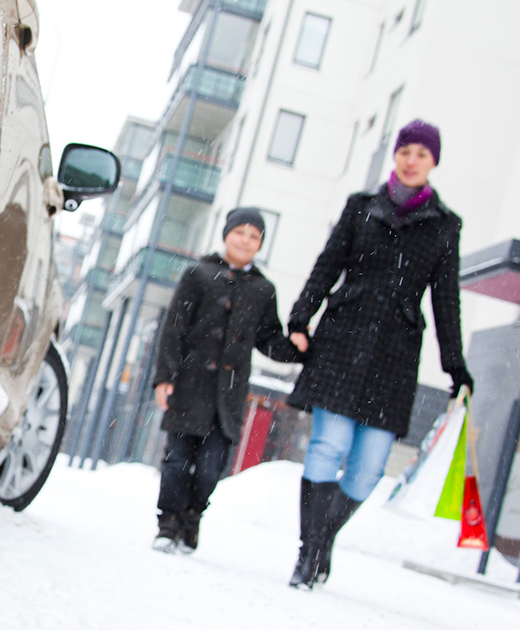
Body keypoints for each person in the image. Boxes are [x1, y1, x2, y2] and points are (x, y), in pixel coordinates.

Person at [283, 119, 474, 589]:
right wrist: (300, 318)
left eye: (421, 154)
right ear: (395, 155)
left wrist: (456, 368)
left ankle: (323, 539)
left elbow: (445, 300)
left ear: (433, 163)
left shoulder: (445, 226)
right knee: (330, 445)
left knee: (369, 467)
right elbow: (328, 264)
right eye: (405, 151)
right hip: (343, 337)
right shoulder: (360, 207)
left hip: (396, 351)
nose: (411, 161)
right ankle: (308, 555)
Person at [151, 207, 304, 554]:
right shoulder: (198, 274)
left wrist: (297, 350)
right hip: (189, 387)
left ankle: (192, 519)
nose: (246, 241)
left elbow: (269, 338)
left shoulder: (263, 289)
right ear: (226, 235)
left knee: (210, 468)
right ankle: (168, 523)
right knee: (177, 461)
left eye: (254, 236)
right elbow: (174, 328)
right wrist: (165, 377)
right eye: (241, 233)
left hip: (228, 396)